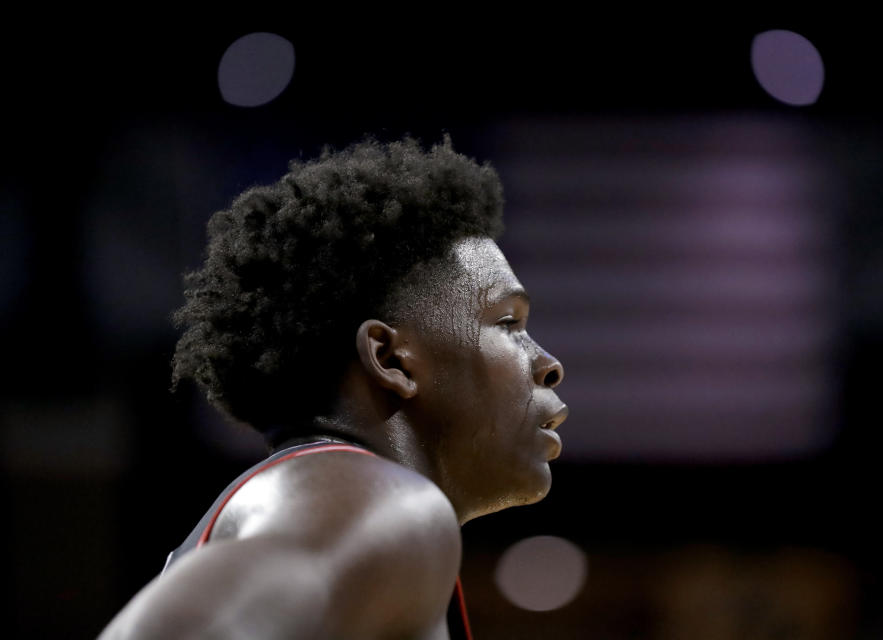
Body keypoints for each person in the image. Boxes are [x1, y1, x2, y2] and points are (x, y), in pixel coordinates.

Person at [98, 136, 568, 639]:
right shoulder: (377, 499)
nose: (548, 363)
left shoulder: (335, 502)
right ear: (390, 359)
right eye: (507, 322)